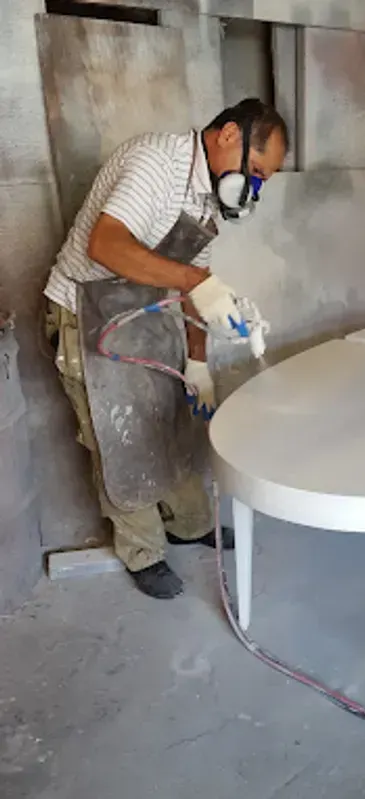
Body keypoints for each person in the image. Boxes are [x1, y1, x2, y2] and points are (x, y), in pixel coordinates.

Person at [44, 98, 288, 599]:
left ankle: (188, 523)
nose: (256, 188)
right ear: (228, 138)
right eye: (257, 172)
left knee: (169, 420)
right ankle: (143, 551)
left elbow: (189, 291)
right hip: (85, 312)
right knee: (118, 437)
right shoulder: (155, 162)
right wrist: (198, 279)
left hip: (143, 311)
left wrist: (198, 361)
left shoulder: (206, 200)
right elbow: (106, 246)